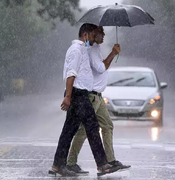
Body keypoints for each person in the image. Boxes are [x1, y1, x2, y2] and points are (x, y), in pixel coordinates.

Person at [50, 24, 120, 177]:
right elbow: (71, 74)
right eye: (94, 34)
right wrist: (68, 97)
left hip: (78, 94)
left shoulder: (82, 49)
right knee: (92, 126)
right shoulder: (76, 50)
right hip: (78, 95)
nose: (96, 38)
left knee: (69, 131)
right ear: (86, 35)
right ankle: (102, 165)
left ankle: (58, 165)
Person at [66, 26, 131, 175]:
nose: (103, 36)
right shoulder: (90, 49)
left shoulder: (94, 49)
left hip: (98, 96)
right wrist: (113, 53)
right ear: (93, 34)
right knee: (84, 130)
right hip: (91, 95)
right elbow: (101, 68)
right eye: (101, 33)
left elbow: (98, 66)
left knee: (107, 126)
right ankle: (71, 162)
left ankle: (110, 160)